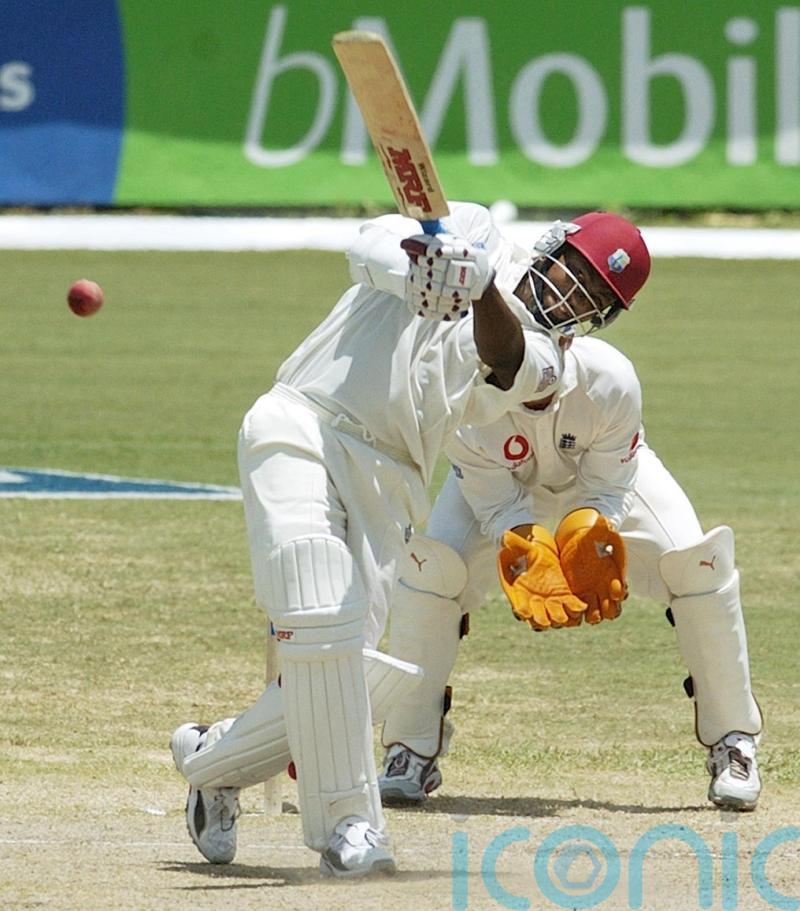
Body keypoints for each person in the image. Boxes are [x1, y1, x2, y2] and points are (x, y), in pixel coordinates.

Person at [169, 203, 652, 877]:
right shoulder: (473, 227)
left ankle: (212, 759)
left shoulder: (547, 359)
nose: (573, 293)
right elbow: (368, 247)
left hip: (391, 476)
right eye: (576, 272)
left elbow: (505, 358)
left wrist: (478, 288)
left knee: (351, 673)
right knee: (318, 604)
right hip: (304, 418)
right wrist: (424, 268)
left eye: (592, 297)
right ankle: (350, 824)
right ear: (552, 248)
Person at [377, 334, 763, 813]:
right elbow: (494, 500)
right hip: (503, 491)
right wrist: (524, 546)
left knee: (698, 565)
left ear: (564, 340)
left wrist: (590, 532)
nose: (534, 392)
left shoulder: (610, 378)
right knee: (431, 573)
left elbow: (609, 484)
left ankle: (734, 740)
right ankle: (409, 748)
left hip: (602, 483)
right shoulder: (459, 391)